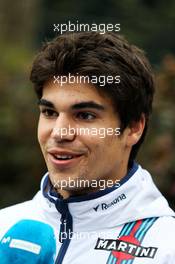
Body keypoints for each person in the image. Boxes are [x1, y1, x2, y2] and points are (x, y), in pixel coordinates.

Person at [0, 31, 175, 264]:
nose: (60, 133)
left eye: (85, 115)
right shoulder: (5, 226)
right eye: (50, 113)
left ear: (134, 127)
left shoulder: (166, 248)